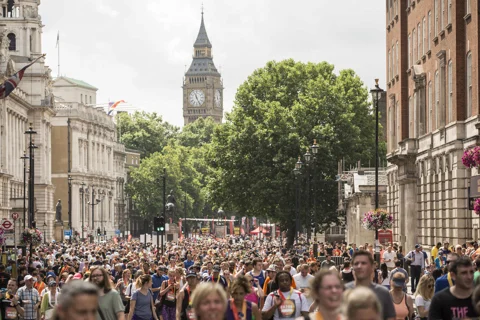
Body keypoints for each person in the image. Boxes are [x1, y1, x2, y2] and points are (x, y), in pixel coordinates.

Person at [344, 250, 396, 320]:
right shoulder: (343, 291)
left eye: (363, 263)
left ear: (372, 267)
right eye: (356, 263)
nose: (359, 266)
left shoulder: (383, 293)